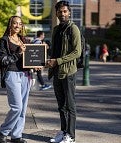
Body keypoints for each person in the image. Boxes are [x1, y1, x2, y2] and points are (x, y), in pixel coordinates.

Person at [47, 1, 81, 143]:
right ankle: (63, 132)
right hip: (56, 72)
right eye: (60, 11)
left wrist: (59, 61)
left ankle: (71, 136)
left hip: (68, 72)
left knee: (70, 105)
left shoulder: (73, 29)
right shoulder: (56, 30)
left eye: (65, 11)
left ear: (69, 12)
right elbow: (54, 50)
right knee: (61, 105)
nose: (62, 14)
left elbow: (77, 52)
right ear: (56, 13)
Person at [0, 16, 31, 143]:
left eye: (20, 24)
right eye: (15, 23)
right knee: (17, 107)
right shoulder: (4, 41)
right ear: (10, 25)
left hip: (26, 75)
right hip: (12, 74)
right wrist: (18, 53)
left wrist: (37, 64)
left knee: (23, 108)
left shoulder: (24, 40)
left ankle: (16, 136)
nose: (17, 26)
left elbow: (30, 58)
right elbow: (4, 61)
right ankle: (3, 131)